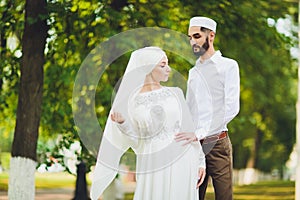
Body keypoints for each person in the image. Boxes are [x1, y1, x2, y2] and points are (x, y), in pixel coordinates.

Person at [90, 46, 206, 200]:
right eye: (163, 65)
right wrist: (123, 123)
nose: (169, 69)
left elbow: (189, 131)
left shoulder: (176, 93)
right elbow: (137, 142)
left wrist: (200, 162)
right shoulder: (132, 102)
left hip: (184, 160)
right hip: (153, 162)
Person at [178, 16, 240, 200]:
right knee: (194, 196)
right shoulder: (193, 72)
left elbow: (231, 107)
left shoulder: (228, 66)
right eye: (190, 37)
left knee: (224, 197)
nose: (192, 42)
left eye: (196, 36)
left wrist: (202, 132)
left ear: (211, 36)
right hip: (195, 146)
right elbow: (190, 110)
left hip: (218, 143)